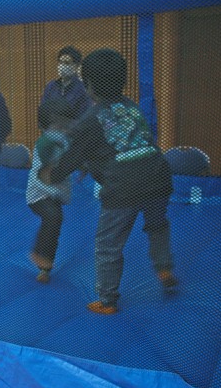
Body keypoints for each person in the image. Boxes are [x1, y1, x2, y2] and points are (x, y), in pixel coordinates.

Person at [40, 48, 176, 314]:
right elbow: (130, 142)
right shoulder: (132, 107)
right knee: (157, 226)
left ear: (88, 84)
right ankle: (164, 268)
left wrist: (50, 174)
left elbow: (71, 157)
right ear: (122, 80)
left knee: (107, 244)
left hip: (124, 186)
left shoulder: (91, 119)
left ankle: (107, 299)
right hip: (158, 175)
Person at [27, 99, 77, 283]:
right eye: (60, 125)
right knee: (53, 217)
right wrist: (52, 190)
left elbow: (70, 160)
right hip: (38, 193)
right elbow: (37, 176)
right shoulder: (45, 144)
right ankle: (38, 255)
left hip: (55, 192)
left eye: (66, 125)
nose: (64, 128)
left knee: (54, 225)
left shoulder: (63, 140)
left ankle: (44, 267)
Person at [40, 46, 91, 122]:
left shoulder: (83, 89)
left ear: (76, 65)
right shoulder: (51, 86)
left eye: (67, 63)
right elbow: (43, 111)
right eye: (60, 62)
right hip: (50, 128)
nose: (62, 66)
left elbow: (84, 118)